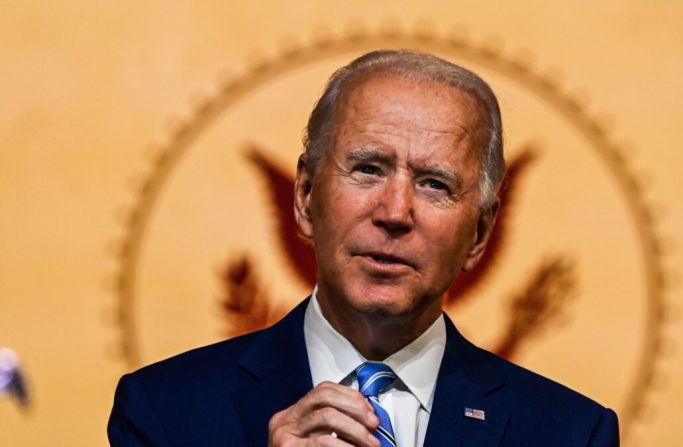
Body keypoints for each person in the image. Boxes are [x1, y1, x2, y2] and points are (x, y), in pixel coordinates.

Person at [108, 49, 619, 447]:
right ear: (306, 198)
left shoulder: (570, 433)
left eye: (434, 184)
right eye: (368, 169)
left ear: (480, 234)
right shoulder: (165, 411)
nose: (395, 213)